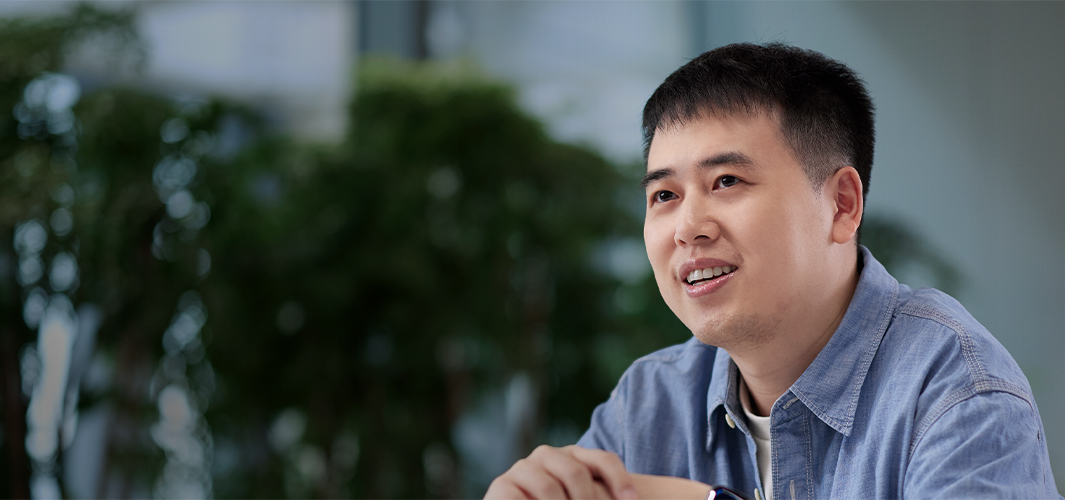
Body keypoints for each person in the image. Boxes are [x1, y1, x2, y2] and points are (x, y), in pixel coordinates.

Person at [485, 42, 1061, 500]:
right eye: (663, 194)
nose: (688, 227)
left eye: (726, 182)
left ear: (841, 205)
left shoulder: (957, 392)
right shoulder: (651, 401)